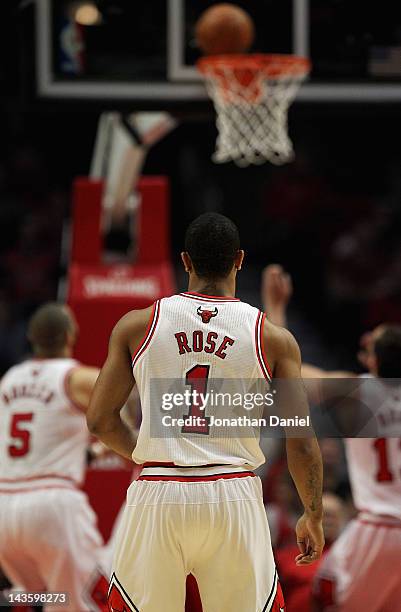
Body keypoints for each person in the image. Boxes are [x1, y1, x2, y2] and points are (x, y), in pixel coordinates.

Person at [87, 212, 324, 612]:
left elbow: (99, 421)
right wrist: (312, 514)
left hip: (158, 492)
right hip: (233, 491)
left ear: (185, 261)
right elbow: (300, 439)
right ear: (240, 260)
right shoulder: (273, 337)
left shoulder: (137, 325)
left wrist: (149, 454)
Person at [263, 264, 401, 611]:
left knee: (325, 599)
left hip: (376, 527)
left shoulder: (358, 392)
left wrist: (276, 307)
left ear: (372, 357)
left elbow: (287, 376)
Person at [0, 303, 107, 612]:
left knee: (35, 597)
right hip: (52, 505)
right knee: (89, 603)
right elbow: (125, 409)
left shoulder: (9, 379)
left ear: (32, 338)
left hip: (5, 505)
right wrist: (104, 448)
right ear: (70, 335)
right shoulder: (78, 378)